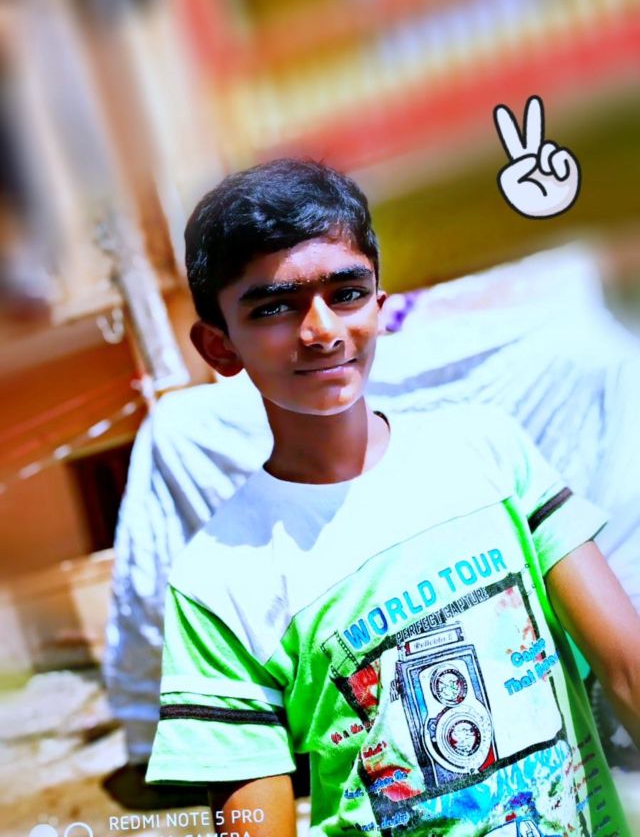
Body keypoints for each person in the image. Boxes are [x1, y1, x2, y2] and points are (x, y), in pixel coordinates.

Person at [146, 158, 639, 836]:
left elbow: (626, 670)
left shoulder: (488, 450)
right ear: (219, 346)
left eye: (346, 293)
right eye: (274, 307)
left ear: (380, 308)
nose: (322, 330)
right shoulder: (216, 580)